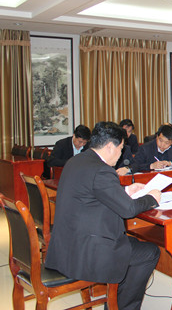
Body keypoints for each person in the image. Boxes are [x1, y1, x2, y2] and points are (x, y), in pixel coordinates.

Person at [45, 122, 161, 310]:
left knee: (133, 245)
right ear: (109, 146)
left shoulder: (77, 161)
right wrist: (151, 198)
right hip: (89, 252)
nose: (121, 154)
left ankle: (115, 301)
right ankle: (122, 307)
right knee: (149, 252)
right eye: (120, 149)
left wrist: (125, 190)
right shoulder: (102, 170)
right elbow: (128, 210)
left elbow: (93, 192)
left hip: (67, 246)